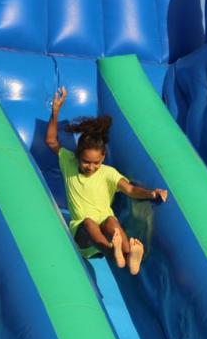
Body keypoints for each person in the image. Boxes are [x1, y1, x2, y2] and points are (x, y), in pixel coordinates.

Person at [45, 87, 167, 275]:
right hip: (84, 237)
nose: (91, 167)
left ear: (103, 158)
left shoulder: (108, 173)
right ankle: (114, 252)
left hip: (107, 231)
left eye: (96, 162)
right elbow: (51, 141)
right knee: (88, 222)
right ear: (77, 156)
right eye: (86, 161)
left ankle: (129, 257)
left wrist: (152, 193)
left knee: (111, 221)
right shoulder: (68, 162)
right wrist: (55, 112)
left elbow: (130, 190)